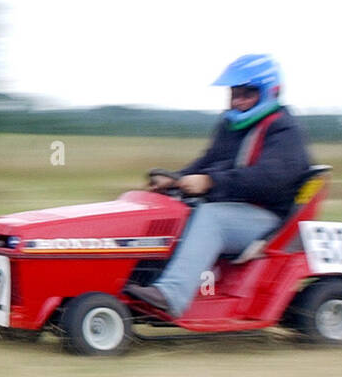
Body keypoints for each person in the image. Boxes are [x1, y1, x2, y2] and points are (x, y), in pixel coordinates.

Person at [123, 54, 311, 317]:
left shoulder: (284, 130)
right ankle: (133, 280)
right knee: (163, 208)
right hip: (233, 207)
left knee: (211, 218)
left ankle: (170, 294)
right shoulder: (231, 124)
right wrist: (176, 179)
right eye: (234, 93)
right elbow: (209, 160)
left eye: (248, 93)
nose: (238, 100)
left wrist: (211, 182)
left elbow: (269, 179)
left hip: (268, 218)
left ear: (271, 91)